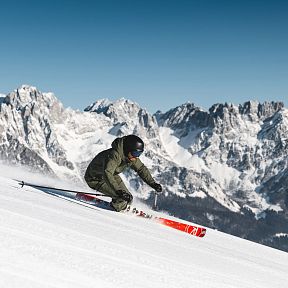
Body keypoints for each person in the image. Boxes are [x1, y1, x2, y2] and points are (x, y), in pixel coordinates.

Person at [84, 135, 162, 211]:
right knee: (121, 198)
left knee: (128, 198)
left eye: (138, 154)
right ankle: (117, 212)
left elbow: (141, 169)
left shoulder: (131, 157)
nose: (136, 157)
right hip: (95, 178)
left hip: (112, 175)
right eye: (135, 153)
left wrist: (153, 184)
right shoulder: (114, 155)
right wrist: (118, 191)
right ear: (128, 149)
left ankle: (121, 207)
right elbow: (107, 173)